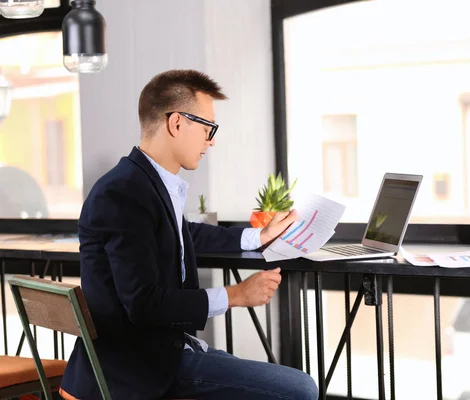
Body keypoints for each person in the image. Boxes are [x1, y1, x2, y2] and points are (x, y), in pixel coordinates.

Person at [60, 70, 319, 400]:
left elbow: (184, 235)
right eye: (208, 127)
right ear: (177, 123)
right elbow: (145, 305)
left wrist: (258, 236)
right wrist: (236, 294)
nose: (211, 140)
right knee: (300, 389)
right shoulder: (124, 193)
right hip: (136, 372)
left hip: (160, 353)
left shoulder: (142, 183)